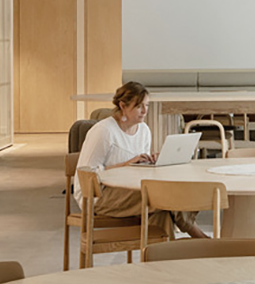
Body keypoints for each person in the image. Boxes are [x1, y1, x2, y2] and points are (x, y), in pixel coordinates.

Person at [74, 81, 207, 240]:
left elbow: (136, 170)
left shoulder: (143, 130)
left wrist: (151, 162)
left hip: (129, 189)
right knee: (160, 196)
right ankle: (198, 235)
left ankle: (163, 259)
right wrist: (124, 165)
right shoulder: (104, 131)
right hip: (97, 195)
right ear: (123, 106)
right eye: (139, 107)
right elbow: (87, 175)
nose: (145, 111)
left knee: (162, 213)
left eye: (147, 105)